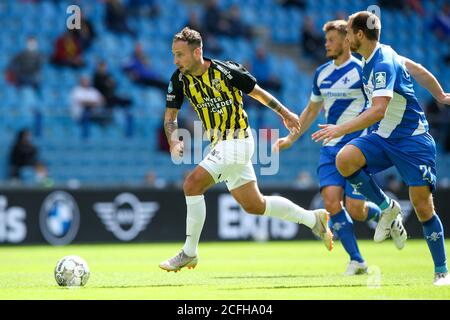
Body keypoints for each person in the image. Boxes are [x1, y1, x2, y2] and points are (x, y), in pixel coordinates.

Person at [159, 27, 333, 272]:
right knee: (254, 205)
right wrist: (173, 140)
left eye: (180, 54)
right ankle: (312, 219)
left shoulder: (226, 71)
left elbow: (258, 93)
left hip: (239, 141)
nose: (175, 60)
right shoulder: (179, 79)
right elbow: (170, 117)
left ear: (197, 51)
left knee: (192, 184)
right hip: (219, 144)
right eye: (173, 54)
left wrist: (285, 113)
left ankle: (189, 251)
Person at [312, 11, 450, 286]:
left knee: (423, 207)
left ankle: (442, 271)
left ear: (359, 36)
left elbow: (378, 110)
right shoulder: (377, 55)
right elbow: (418, 69)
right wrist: (441, 95)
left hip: (412, 140)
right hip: (383, 137)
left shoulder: (383, 62)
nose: (346, 37)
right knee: (345, 159)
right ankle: (387, 208)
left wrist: (340, 129)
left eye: (349, 33)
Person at [273, 20, 385, 276]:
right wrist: (291, 138)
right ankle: (357, 260)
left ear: (346, 41)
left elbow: (378, 107)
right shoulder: (321, 73)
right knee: (331, 203)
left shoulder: (362, 70)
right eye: (326, 40)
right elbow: (312, 110)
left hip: (358, 147)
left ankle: (386, 214)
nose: (326, 44)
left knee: (356, 210)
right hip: (330, 148)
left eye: (331, 40)